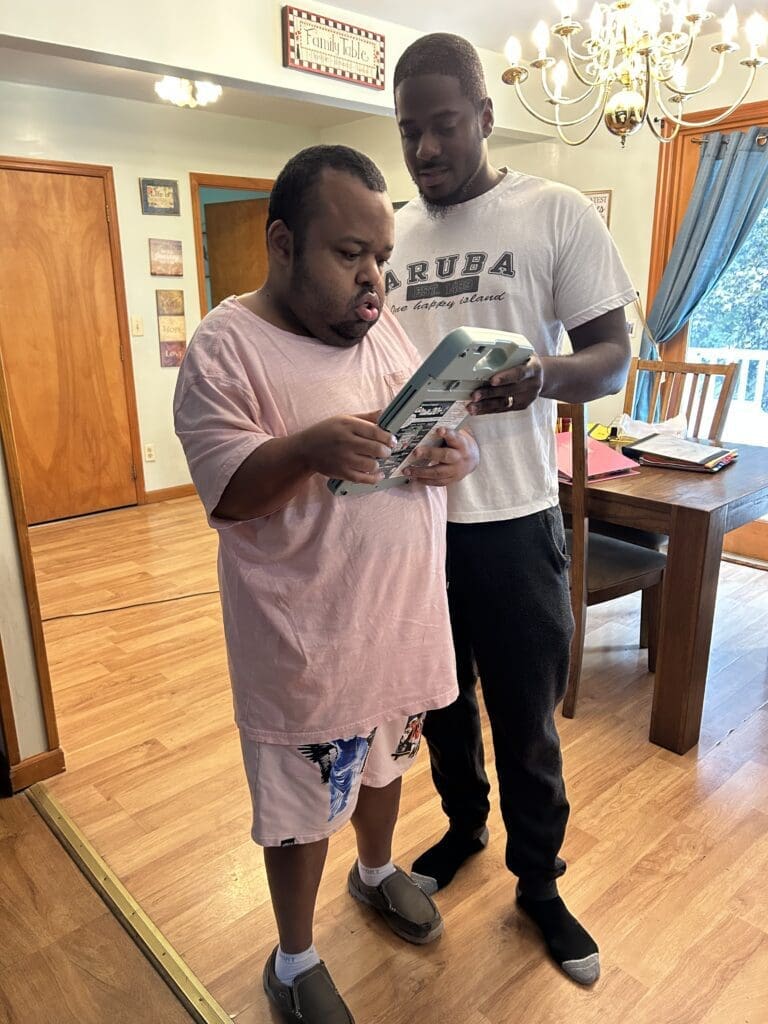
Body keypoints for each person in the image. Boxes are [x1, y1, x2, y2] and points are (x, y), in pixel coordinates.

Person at [173, 144, 479, 1024]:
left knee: (388, 764)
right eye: (350, 255)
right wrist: (308, 448)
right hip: (305, 643)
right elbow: (227, 493)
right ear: (281, 242)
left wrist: (453, 454)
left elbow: (437, 423)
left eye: (381, 258)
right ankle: (293, 958)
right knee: (303, 810)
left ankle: (377, 870)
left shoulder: (382, 329)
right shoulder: (225, 349)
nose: (373, 282)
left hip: (401, 619)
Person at [388, 34, 636, 986]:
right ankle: (462, 826)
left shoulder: (553, 211)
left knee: (526, 717)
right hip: (412, 526)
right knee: (439, 702)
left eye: (444, 125)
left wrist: (542, 378)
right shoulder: (396, 232)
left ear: (485, 115)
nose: (426, 150)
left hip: (516, 517)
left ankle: (541, 882)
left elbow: (609, 353)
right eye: (410, 131)